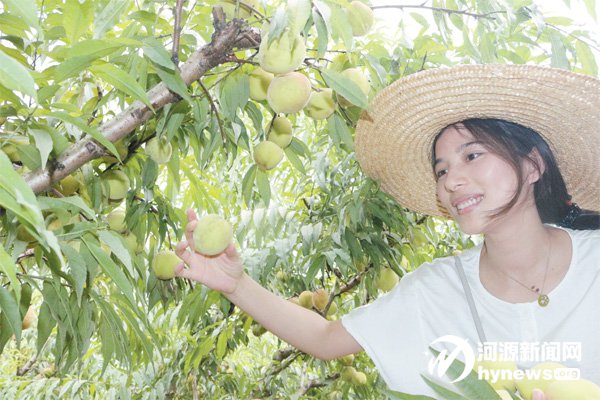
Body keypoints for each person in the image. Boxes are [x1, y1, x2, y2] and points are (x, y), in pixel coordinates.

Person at [174, 64, 600, 398]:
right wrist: (237, 284)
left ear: (532, 165)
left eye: (472, 156)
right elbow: (326, 338)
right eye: (442, 170)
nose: (452, 181)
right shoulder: (437, 289)